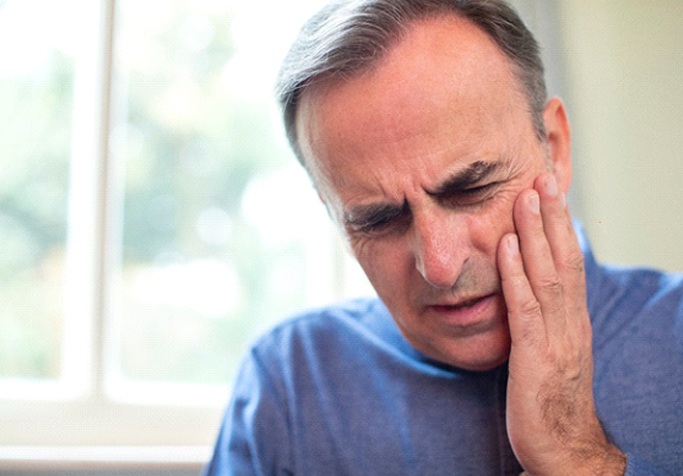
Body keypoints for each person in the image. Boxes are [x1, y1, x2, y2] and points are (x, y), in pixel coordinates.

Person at [204, 0, 683, 474]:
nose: (440, 265)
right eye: (377, 219)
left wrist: (580, 461)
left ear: (554, 150)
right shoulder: (288, 385)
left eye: (471, 189)